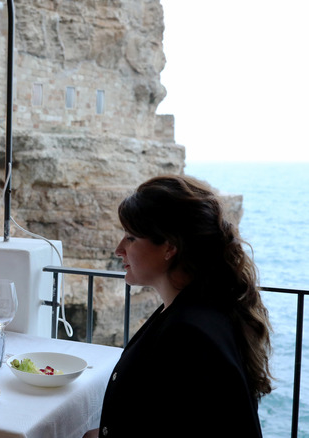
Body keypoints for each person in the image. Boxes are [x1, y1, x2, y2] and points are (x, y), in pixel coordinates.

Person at [84, 175, 272, 438]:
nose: (118, 249)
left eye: (130, 238)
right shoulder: (198, 309)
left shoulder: (188, 333)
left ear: (169, 247)